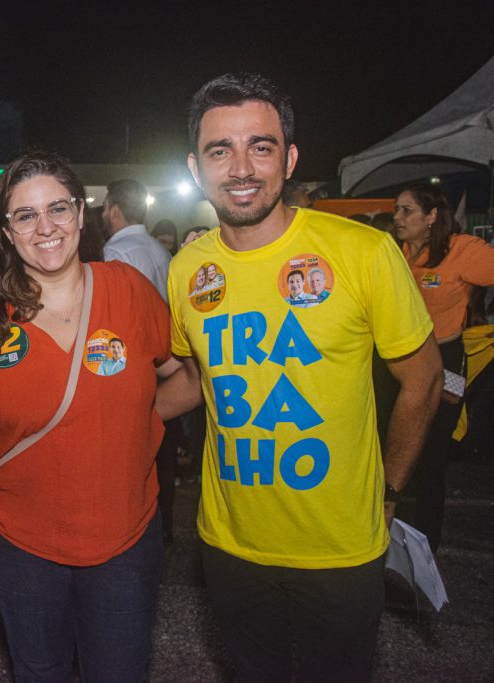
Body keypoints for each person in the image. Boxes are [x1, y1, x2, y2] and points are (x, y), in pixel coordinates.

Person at [168, 73, 443, 682]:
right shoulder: (187, 267)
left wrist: (390, 486)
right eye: (220, 150)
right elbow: (195, 378)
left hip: (340, 550)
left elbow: (424, 378)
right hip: (228, 544)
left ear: (289, 157)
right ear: (196, 168)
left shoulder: (363, 251)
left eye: (260, 146)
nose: (241, 167)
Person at [0, 151, 190, 682]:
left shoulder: (128, 290)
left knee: (120, 672)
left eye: (58, 208)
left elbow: (188, 380)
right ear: (7, 232)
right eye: (26, 216)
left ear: (83, 213)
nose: (46, 227)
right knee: (39, 672)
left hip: (124, 539)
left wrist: (132, 416)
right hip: (20, 546)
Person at [394, 182, 494, 551]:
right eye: (397, 210)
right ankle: (391, 543)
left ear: (432, 216)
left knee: (431, 458)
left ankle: (425, 554)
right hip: (401, 366)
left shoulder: (462, 250)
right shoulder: (400, 252)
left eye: (407, 211)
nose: (397, 218)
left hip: (445, 363)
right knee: (400, 453)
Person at [101, 178, 171, 298]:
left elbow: (118, 301)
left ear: (114, 212)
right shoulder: (162, 250)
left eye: (105, 208)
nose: (103, 214)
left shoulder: (116, 251)